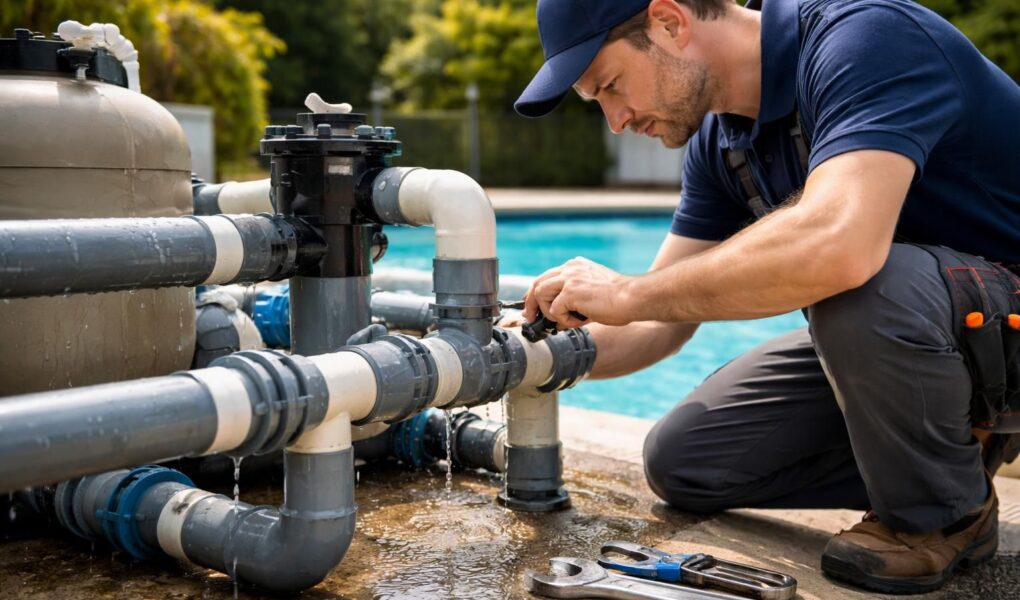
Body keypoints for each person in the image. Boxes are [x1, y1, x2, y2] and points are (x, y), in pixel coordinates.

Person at [514, 0, 1020, 593]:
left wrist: (628, 291)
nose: (616, 120)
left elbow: (840, 246)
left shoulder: (867, 39)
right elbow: (652, 323)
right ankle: (953, 449)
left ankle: (941, 515)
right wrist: (516, 357)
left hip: (981, 316)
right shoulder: (722, 143)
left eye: (611, 86)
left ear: (670, 22)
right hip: (934, 334)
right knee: (686, 463)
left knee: (859, 286)